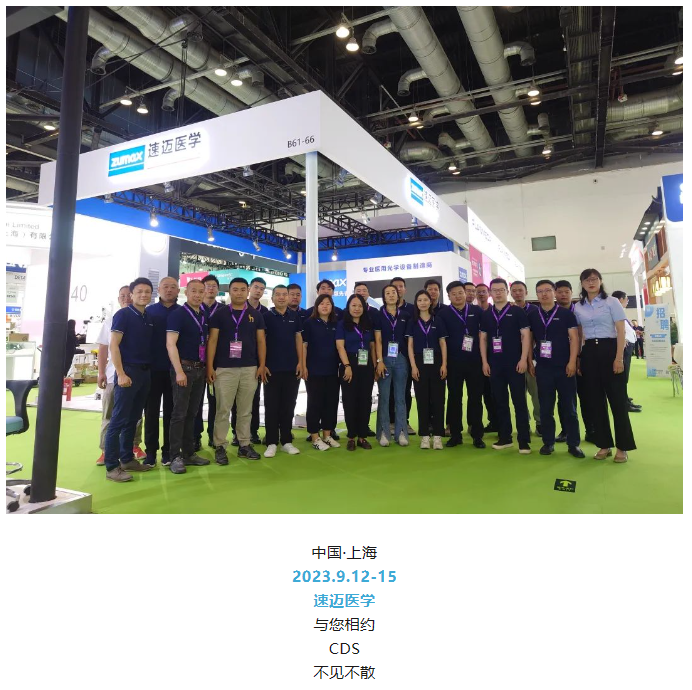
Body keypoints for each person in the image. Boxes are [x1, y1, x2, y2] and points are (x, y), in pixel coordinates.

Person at [573, 269, 635, 462]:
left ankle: (622, 447)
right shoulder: (578, 306)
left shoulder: (612, 302)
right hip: (589, 353)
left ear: (600, 281)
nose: (591, 282)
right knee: (596, 402)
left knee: (617, 401)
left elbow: (621, 331)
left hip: (610, 349)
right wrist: (579, 358)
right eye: (587, 280)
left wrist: (619, 358)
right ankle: (604, 445)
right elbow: (579, 334)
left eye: (594, 279)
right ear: (582, 283)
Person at [207, 277, 268, 464]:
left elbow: (261, 341)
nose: (239, 293)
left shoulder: (256, 315)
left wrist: (261, 365)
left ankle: (244, 444)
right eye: (235, 289)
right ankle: (220, 446)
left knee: (245, 410)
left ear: (248, 291)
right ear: (229, 292)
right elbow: (212, 341)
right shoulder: (219, 314)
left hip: (250, 368)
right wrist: (209, 366)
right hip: (224, 369)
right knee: (223, 409)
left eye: (243, 289)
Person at [103, 277, 155, 482]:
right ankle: (111, 466)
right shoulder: (123, 315)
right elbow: (113, 345)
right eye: (139, 291)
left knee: (133, 419)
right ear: (131, 295)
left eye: (147, 291)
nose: (144, 295)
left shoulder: (148, 316)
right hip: (128, 372)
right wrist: (121, 373)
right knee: (118, 420)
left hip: (144, 373)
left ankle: (127, 459)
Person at [527, 280, 584, 458]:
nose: (544, 294)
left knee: (569, 408)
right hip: (543, 368)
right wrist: (530, 361)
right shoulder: (533, 315)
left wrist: (572, 362)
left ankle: (573, 444)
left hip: (564, 367)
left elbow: (574, 339)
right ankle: (548, 442)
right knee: (545, 408)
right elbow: (529, 340)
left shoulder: (566, 314)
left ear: (554, 292)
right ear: (536, 294)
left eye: (547, 290)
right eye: (540, 291)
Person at [479, 278, 532, 454]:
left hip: (515, 363)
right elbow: (483, 339)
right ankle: (505, 437)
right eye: (494, 290)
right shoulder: (486, 314)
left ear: (506, 292)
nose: (498, 293)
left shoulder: (517, 312)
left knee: (519, 402)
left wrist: (523, 359)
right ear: (490, 293)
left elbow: (525, 336)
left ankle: (524, 440)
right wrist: (485, 361)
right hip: (495, 364)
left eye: (501, 290)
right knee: (500, 402)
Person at [165, 279, 211, 474]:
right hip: (184, 368)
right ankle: (174, 456)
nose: (198, 295)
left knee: (192, 413)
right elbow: (170, 344)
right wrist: (179, 371)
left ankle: (189, 453)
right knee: (179, 414)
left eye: (201, 291)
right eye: (194, 291)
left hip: (199, 369)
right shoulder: (178, 314)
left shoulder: (203, 314)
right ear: (186, 292)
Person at [96, 285, 144, 465]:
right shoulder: (110, 320)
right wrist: (101, 372)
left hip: (136, 375)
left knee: (135, 415)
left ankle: (133, 446)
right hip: (112, 376)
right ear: (118, 299)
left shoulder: (143, 318)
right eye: (122, 296)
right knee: (110, 414)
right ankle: (106, 451)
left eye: (128, 295)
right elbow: (103, 348)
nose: (126, 299)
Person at [437, 281, 485, 448]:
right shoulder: (443, 314)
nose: (457, 296)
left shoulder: (476, 311)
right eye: (453, 294)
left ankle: (477, 435)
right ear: (448, 296)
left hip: (474, 361)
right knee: (454, 398)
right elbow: (442, 340)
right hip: (454, 362)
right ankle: (455, 434)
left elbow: (484, 335)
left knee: (475, 398)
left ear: (466, 293)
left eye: (460, 292)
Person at [142, 276, 180, 467]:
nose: (169, 290)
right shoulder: (148, 312)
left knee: (172, 413)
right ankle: (150, 452)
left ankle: (169, 451)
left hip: (176, 371)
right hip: (152, 370)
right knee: (151, 413)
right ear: (159, 289)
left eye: (173, 287)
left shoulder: (183, 312)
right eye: (165, 286)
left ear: (178, 291)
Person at [262, 285, 303, 458]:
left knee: (289, 405)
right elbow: (261, 341)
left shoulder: (295, 316)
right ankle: (271, 442)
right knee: (271, 406)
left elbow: (299, 339)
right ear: (272, 298)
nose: (281, 297)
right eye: (277, 294)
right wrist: (262, 364)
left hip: (291, 369)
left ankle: (286, 441)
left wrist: (301, 362)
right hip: (271, 369)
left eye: (284, 294)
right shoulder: (265, 317)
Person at [406, 289, 448, 450]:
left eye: (425, 300)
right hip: (419, 362)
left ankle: (437, 436)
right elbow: (410, 346)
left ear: (430, 302)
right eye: (419, 300)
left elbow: (443, 344)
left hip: (437, 361)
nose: (423, 303)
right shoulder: (412, 322)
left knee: (438, 399)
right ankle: (424, 435)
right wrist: (413, 366)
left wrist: (444, 364)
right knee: (422, 400)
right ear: (416, 303)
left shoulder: (438, 320)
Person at [554, 279, 594, 443]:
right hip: (561, 361)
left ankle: (591, 430)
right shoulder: (552, 312)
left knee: (586, 396)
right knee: (564, 399)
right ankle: (566, 431)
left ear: (572, 293)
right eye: (560, 292)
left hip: (583, 359)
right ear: (555, 294)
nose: (563, 295)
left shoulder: (580, 310)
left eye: (566, 292)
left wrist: (578, 358)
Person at [230, 277, 268, 445]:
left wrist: (262, 363)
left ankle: (252, 432)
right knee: (234, 401)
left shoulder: (264, 312)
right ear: (249, 289)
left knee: (254, 398)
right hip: (232, 362)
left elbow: (263, 340)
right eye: (256, 287)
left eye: (262, 288)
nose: (258, 291)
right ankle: (236, 433)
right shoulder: (231, 309)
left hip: (254, 363)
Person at [336, 294, 376, 451]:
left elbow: (372, 346)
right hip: (349, 363)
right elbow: (340, 346)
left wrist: (375, 366)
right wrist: (347, 365)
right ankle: (351, 436)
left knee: (365, 400)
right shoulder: (342, 324)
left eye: (360, 305)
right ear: (348, 307)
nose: (357, 308)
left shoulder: (368, 324)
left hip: (366, 364)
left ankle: (362, 436)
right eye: (353, 305)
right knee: (350, 400)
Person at [303, 295, 341, 451]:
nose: (325, 306)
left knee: (331, 403)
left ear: (332, 307)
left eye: (328, 304)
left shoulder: (336, 324)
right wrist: (303, 366)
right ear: (316, 306)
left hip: (332, 370)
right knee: (314, 403)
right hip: (314, 370)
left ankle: (327, 435)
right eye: (322, 303)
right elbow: (304, 346)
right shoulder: (309, 323)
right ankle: (315, 437)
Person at [374, 284, 411, 447]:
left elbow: (409, 340)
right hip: (385, 359)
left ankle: (401, 432)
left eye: (393, 292)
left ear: (398, 295)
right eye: (387, 293)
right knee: (384, 397)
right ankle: (383, 432)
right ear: (384, 297)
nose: (391, 295)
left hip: (401, 359)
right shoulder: (378, 315)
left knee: (400, 397)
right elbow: (378, 339)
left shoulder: (406, 315)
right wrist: (379, 361)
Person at [510, 280, 541, 435]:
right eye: (514, 290)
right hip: (513, 359)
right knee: (518, 395)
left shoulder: (535, 310)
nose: (517, 293)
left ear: (526, 292)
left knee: (536, 393)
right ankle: (524, 423)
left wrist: (529, 359)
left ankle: (540, 422)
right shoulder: (507, 310)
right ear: (510, 293)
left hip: (533, 359)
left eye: (520, 290)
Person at [194, 274, 221, 449]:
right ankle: (195, 436)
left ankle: (214, 435)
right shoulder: (194, 309)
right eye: (207, 285)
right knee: (196, 402)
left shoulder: (224, 310)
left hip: (218, 362)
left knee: (216, 401)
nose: (210, 288)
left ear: (218, 289)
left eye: (213, 286)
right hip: (196, 362)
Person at [389, 277, 415, 434]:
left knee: (405, 391)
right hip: (388, 357)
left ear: (405, 289)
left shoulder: (411, 309)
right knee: (390, 391)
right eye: (394, 287)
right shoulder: (383, 310)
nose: (397, 289)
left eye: (400, 286)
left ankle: (405, 421)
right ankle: (391, 422)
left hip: (405, 357)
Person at [612, 291, 642, 413]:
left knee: (624, 376)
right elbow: (616, 329)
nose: (628, 302)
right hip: (624, 346)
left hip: (628, 345)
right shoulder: (614, 312)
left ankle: (625, 398)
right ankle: (623, 402)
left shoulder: (620, 312)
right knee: (622, 377)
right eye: (626, 299)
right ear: (620, 299)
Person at [474, 283, 497, 433]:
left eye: (484, 291)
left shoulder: (494, 311)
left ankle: (495, 421)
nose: (481, 294)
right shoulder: (473, 311)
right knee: (479, 392)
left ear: (489, 293)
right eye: (478, 292)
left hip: (493, 356)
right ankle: (477, 424)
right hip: (475, 357)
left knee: (492, 391)